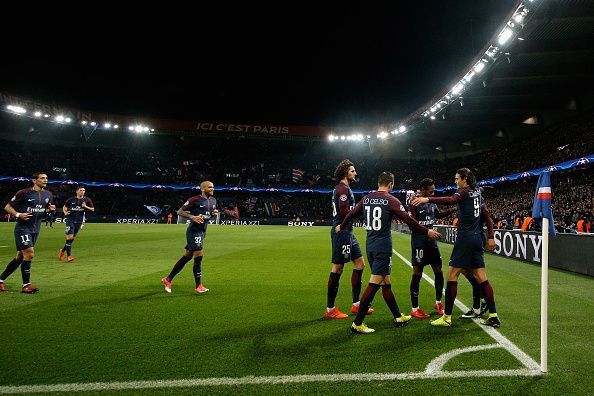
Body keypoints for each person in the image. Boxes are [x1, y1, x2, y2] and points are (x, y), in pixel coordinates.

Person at [337, 172, 441, 334]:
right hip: (383, 248)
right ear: (391, 184)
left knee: (386, 283)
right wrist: (426, 231)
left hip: (370, 245)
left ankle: (398, 316)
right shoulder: (391, 200)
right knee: (374, 284)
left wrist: (341, 226)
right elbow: (409, 220)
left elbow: (350, 214)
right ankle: (357, 323)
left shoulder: (367, 198)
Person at [411, 168, 499, 327]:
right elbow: (487, 216)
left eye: (457, 178)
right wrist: (491, 237)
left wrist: (428, 200)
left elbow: (452, 199)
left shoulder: (463, 191)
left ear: (464, 179)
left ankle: (446, 317)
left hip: (465, 239)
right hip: (477, 239)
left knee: (452, 275)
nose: (455, 181)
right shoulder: (477, 192)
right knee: (481, 276)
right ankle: (493, 315)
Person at [326, 159, 373, 319]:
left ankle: (356, 305)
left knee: (360, 264)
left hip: (348, 231)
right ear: (346, 172)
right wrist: (361, 206)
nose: (355, 173)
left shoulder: (345, 188)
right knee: (337, 268)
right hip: (342, 230)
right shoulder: (342, 189)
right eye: (353, 171)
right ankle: (330, 309)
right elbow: (345, 212)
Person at [407, 178, 456, 318]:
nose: (433, 193)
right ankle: (415, 308)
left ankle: (438, 302)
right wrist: (427, 232)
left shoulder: (432, 201)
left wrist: (453, 209)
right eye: (430, 191)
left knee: (438, 270)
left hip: (431, 242)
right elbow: (412, 224)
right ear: (422, 189)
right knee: (417, 273)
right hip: (419, 242)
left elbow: (437, 214)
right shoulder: (413, 202)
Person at [0, 172, 55, 293]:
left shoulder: (48, 194)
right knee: (29, 254)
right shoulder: (24, 193)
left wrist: (49, 209)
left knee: (20, 257)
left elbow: (43, 210)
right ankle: (26, 286)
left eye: (46, 178)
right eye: (42, 178)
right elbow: (7, 207)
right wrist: (18, 214)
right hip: (22, 228)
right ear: (34, 180)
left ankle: (0, 280)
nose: (45, 180)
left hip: (36, 230)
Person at [161, 181, 219, 294]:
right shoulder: (194, 199)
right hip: (194, 231)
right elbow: (180, 211)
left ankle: (168, 279)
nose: (212, 189)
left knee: (187, 256)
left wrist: (213, 214)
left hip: (202, 231)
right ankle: (199, 286)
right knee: (199, 254)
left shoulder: (213, 201)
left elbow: (207, 215)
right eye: (210, 187)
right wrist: (192, 216)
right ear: (203, 189)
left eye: (213, 187)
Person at [59, 186, 94, 262]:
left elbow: (92, 209)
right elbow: (64, 206)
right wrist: (65, 212)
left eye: (84, 190)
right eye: (81, 190)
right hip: (70, 220)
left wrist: (85, 206)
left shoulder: (87, 200)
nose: (82, 192)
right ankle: (69, 256)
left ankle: (62, 251)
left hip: (79, 221)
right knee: (69, 238)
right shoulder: (71, 199)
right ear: (77, 191)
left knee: (71, 239)